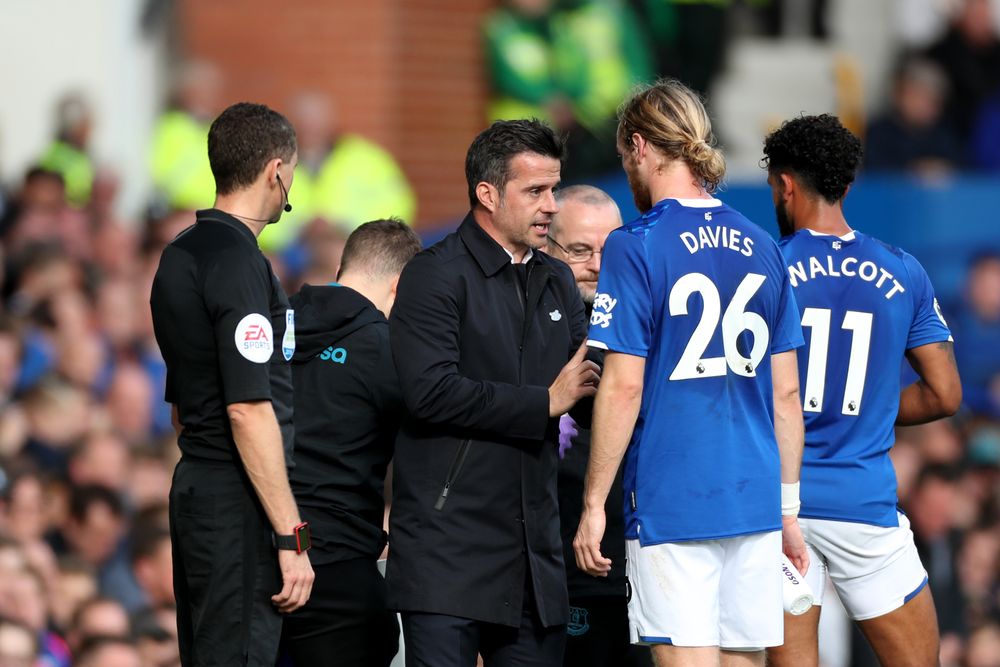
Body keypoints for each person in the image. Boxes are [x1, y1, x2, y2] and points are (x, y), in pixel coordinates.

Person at [573, 79, 809, 667]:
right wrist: (787, 510)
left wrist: (594, 501)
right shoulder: (762, 244)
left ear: (639, 147)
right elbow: (787, 394)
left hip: (673, 497)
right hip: (753, 498)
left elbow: (623, 385)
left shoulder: (636, 244)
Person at [387, 118, 601, 666]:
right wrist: (543, 403)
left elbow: (596, 389)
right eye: (535, 191)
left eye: (554, 188)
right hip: (446, 558)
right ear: (487, 194)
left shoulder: (557, 281)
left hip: (536, 564)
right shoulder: (433, 276)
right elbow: (429, 392)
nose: (551, 205)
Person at [760, 113, 962, 667]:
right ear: (847, 186)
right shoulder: (904, 270)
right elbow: (945, 395)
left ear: (785, 185)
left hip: (778, 507)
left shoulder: (765, 268)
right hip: (862, 504)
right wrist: (872, 406)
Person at [149, 101, 314, 666]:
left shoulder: (179, 253)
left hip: (195, 486)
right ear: (276, 172)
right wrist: (291, 537)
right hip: (236, 500)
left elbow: (181, 407)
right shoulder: (240, 262)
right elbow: (248, 408)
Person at [281, 218, 422, 666]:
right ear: (400, 286)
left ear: (344, 267)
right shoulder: (389, 350)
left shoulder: (267, 326)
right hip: (336, 568)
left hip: (251, 553)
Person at [543, 185, 650, 667]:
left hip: (637, 560)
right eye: (581, 251)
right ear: (547, 247)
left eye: (611, 250)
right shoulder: (522, 327)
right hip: (551, 565)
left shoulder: (650, 327)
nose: (598, 265)